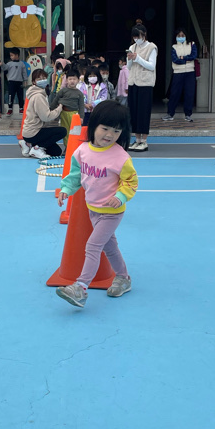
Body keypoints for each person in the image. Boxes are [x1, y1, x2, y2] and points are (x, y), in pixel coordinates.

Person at [55, 101, 138, 309]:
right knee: (110, 247)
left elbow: (131, 182)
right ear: (94, 126)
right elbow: (76, 175)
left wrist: (121, 196)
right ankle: (123, 278)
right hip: (93, 209)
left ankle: (81, 287)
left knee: (93, 246)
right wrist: (66, 189)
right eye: (105, 128)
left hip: (112, 212)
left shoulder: (121, 157)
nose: (110, 134)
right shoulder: (82, 151)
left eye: (116, 131)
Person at [21, 68, 65, 159]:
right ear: (34, 82)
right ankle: (37, 148)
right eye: (39, 79)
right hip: (33, 132)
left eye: (44, 78)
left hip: (30, 132)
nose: (42, 80)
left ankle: (28, 144)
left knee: (56, 152)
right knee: (62, 131)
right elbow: (46, 117)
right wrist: (60, 108)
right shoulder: (38, 96)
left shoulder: (38, 93)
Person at [126, 25, 158, 152]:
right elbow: (129, 67)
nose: (136, 39)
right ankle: (137, 139)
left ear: (144, 34)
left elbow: (151, 66)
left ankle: (144, 140)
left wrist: (137, 58)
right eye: (134, 37)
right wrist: (129, 59)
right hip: (133, 82)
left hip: (145, 84)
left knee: (143, 112)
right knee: (134, 112)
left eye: (138, 36)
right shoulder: (132, 47)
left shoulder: (152, 47)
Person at [162, 29, 198, 123]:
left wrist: (182, 58)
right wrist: (186, 59)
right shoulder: (174, 47)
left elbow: (194, 56)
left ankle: (188, 114)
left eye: (183, 35)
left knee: (189, 94)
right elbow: (175, 60)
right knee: (174, 93)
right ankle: (170, 114)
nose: (181, 37)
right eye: (179, 35)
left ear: (186, 36)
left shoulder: (192, 44)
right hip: (178, 72)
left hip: (190, 72)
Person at [48, 66, 85, 143]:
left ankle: (74, 145)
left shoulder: (79, 93)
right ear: (67, 80)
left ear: (78, 80)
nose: (72, 81)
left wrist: (81, 117)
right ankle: (66, 146)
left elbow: (81, 106)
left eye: (74, 79)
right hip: (63, 113)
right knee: (65, 130)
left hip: (74, 114)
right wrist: (50, 109)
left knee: (74, 131)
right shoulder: (63, 91)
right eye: (70, 79)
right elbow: (56, 100)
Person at [1, 50, 29, 117]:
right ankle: (10, 109)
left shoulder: (21, 64)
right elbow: (4, 68)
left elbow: (24, 72)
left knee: (20, 96)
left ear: (17, 55)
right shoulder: (9, 64)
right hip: (11, 82)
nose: (11, 57)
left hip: (19, 82)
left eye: (12, 55)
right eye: (10, 55)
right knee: (11, 96)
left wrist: (25, 80)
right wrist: (2, 64)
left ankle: (21, 108)